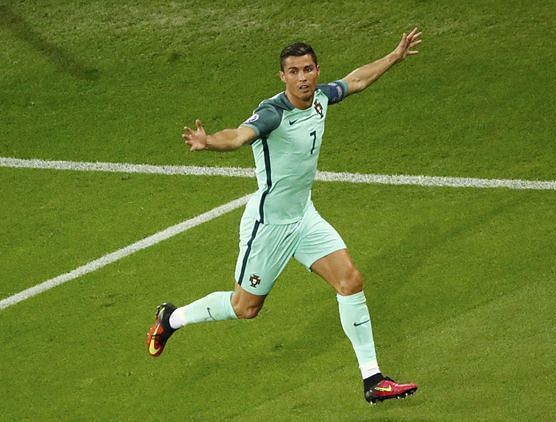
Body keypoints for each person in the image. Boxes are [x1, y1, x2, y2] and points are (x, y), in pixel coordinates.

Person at [147, 28, 423, 404]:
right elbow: (239, 135)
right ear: (283, 76)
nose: (303, 77)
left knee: (351, 281)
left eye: (308, 69)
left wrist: (393, 56)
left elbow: (355, 80)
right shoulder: (273, 113)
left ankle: (372, 379)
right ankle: (171, 319)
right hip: (269, 226)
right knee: (245, 308)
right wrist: (209, 141)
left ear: (316, 70)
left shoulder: (323, 97)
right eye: (294, 71)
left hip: (304, 217)